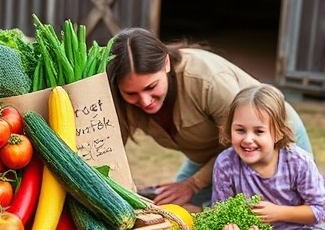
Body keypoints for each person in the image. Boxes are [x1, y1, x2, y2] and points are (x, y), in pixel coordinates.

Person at [106, 27, 313, 211]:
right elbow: (109, 152)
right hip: (214, 155)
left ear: (166, 63)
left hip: (268, 143)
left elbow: (244, 142)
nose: (145, 101)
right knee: (173, 210)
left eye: (151, 87)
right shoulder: (119, 97)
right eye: (131, 94)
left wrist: (193, 184)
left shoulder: (208, 80)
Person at [212, 84, 325, 230]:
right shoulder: (226, 164)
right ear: (229, 129)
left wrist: (279, 212)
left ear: (278, 132)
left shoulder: (297, 161)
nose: (248, 139)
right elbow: (220, 212)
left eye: (259, 131)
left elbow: (319, 210)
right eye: (240, 130)